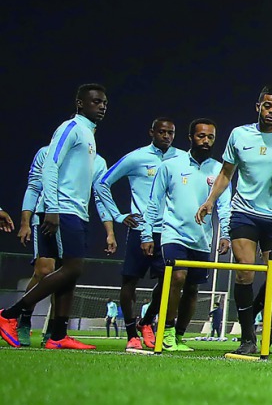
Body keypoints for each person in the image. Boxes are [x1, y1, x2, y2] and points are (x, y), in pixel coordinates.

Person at [196, 86, 272, 356]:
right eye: (267, 105)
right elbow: (226, 173)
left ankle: (252, 317)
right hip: (245, 213)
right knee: (245, 271)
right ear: (258, 107)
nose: (271, 111)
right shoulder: (239, 135)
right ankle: (248, 338)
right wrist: (210, 200)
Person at [1, 84, 115, 350]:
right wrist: (51, 207)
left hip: (75, 211)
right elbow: (50, 165)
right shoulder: (70, 128)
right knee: (72, 268)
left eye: (104, 103)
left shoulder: (89, 135)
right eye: (96, 102)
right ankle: (9, 315)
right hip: (62, 209)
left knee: (69, 273)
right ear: (80, 103)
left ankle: (58, 336)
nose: (101, 106)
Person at [143, 118, 231, 352]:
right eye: (201, 136)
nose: (206, 140)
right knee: (177, 278)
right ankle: (167, 330)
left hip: (202, 239)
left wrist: (226, 234)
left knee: (192, 289)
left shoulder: (219, 170)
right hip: (173, 234)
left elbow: (224, 205)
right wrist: (146, 234)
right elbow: (154, 202)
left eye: (210, 137)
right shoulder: (171, 165)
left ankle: (179, 335)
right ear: (190, 137)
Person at [95, 117, 182, 350]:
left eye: (171, 133)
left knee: (170, 281)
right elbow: (102, 183)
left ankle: (146, 322)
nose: (166, 136)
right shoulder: (136, 157)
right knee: (130, 282)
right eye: (162, 132)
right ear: (151, 132)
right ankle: (131, 333)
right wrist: (118, 215)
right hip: (140, 229)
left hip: (169, 232)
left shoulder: (181, 158)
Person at [15, 146, 55, 346]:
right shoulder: (45, 153)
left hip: (74, 218)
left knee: (66, 276)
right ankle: (23, 318)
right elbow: (34, 187)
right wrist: (25, 222)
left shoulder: (90, 155)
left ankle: (55, 331)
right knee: (44, 271)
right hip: (44, 216)